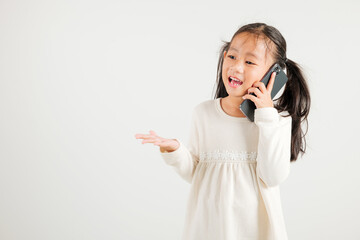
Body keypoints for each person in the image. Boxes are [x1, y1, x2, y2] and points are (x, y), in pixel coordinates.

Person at [135, 22, 311, 240]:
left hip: (255, 231)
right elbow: (198, 174)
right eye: (232, 57)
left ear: (274, 74)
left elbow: (272, 176)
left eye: (249, 61)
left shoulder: (276, 120)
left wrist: (266, 115)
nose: (237, 67)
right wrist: (176, 151)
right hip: (209, 227)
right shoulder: (204, 113)